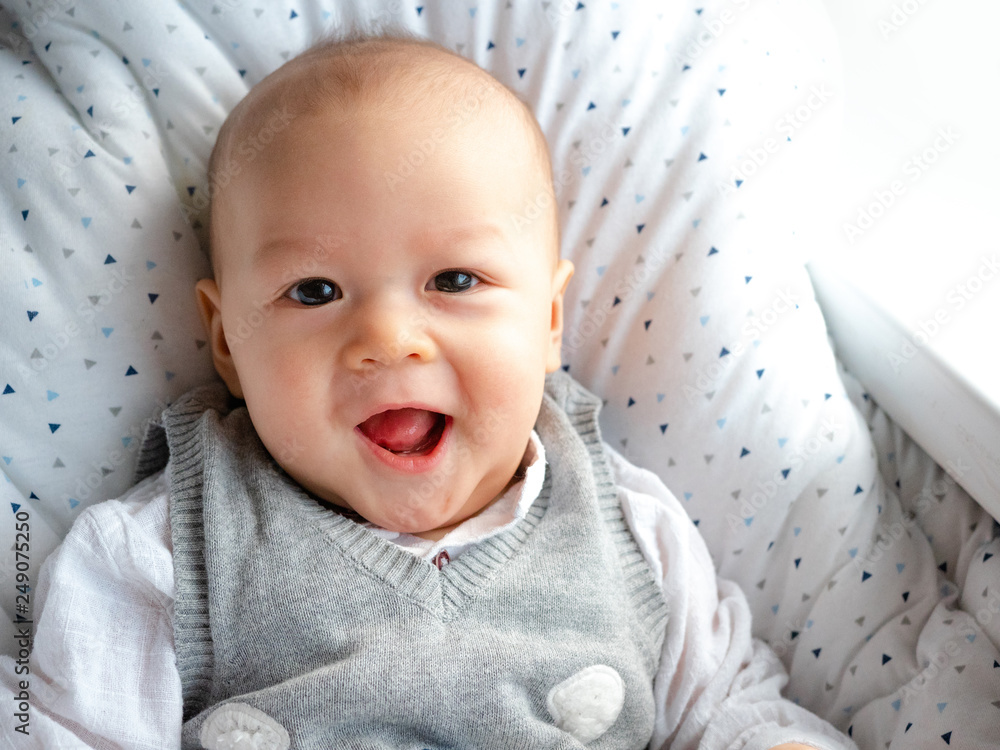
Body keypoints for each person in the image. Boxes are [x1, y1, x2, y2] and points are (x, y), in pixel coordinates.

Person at [0, 30, 855, 750]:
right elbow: (73, 729)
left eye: (454, 278)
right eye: (314, 292)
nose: (389, 339)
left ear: (549, 321)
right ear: (228, 341)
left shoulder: (631, 529)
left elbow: (729, 706)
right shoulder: (160, 556)